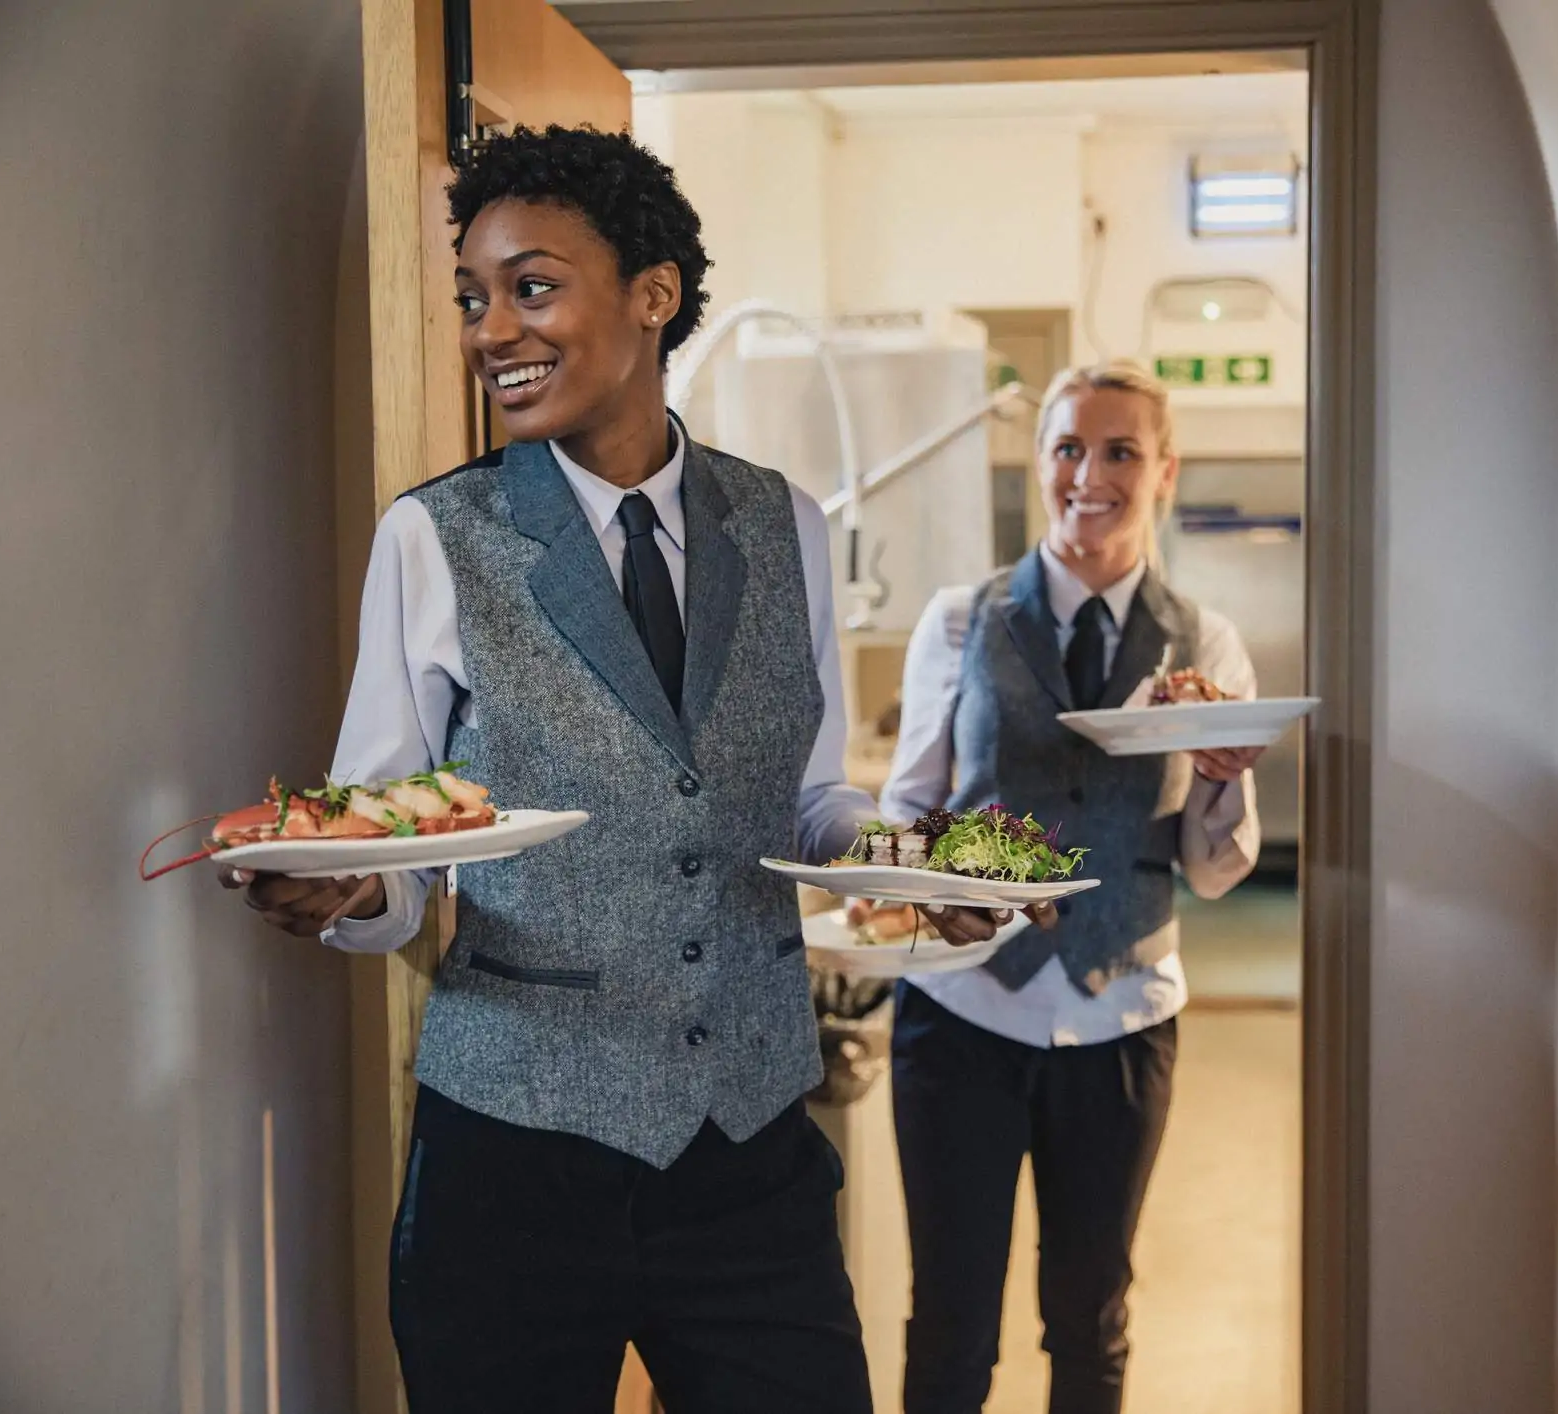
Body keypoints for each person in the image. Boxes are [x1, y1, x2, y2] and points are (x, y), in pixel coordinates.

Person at [220, 126, 993, 1414]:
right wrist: (349, 892)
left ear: (652, 293)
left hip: (749, 1146)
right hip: (512, 1158)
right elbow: (394, 837)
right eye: (472, 297)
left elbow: (810, 796)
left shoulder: (783, 522)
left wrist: (916, 863)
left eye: (531, 285)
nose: (489, 329)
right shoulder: (436, 538)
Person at [874, 361, 1263, 1414]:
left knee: (1091, 1318)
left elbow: (1216, 869)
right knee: (951, 1316)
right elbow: (907, 809)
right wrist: (939, 870)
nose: (1090, 473)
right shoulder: (959, 622)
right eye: (1068, 448)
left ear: (1164, 473)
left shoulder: (1209, 647)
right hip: (963, 1011)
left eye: (1121, 451)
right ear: (1043, 463)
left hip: (1124, 1014)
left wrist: (1228, 780)